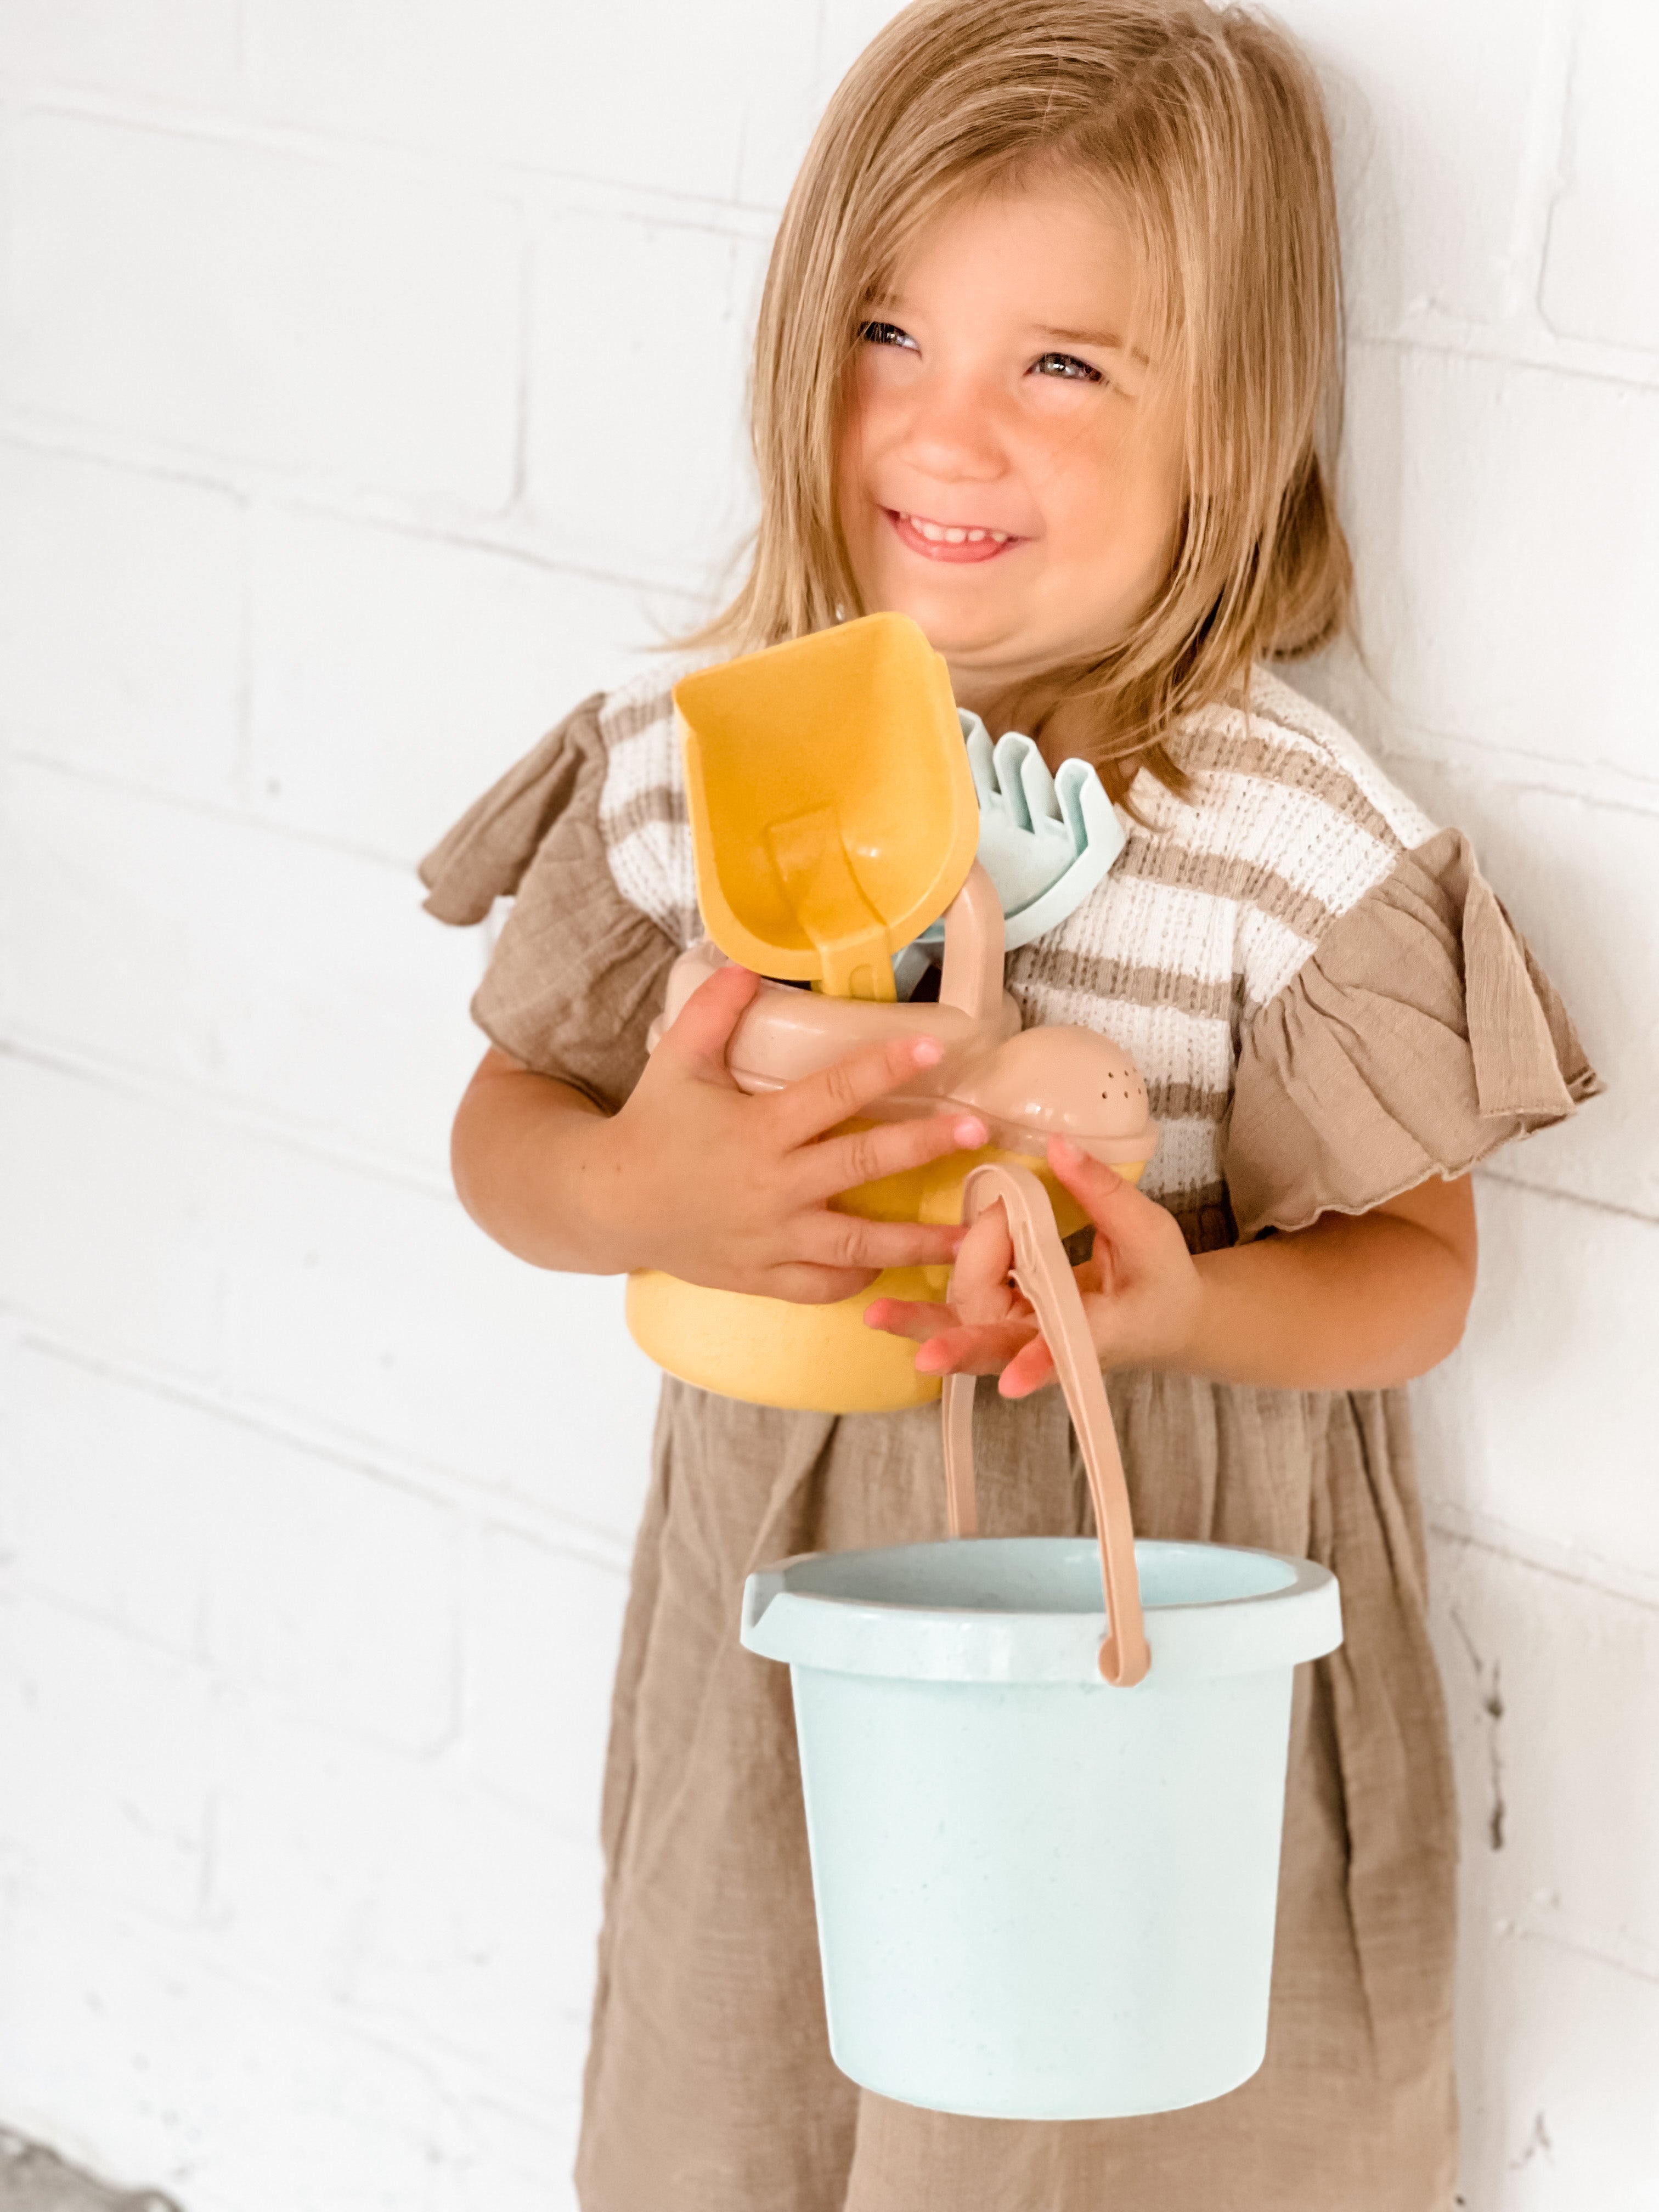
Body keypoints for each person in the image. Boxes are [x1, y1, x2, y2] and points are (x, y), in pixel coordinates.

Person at [419, 3, 1600, 2204]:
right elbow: (507, 1133)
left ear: (1228, 424)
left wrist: (1171, 1307)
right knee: (752, 2076)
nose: (942, 433)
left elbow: (1418, 1281)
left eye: (1064, 364)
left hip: (1151, 1621)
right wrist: (629, 1183)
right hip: (789, 1574)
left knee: (1103, 2132)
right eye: (888, 329)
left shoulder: (1280, 843)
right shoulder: (691, 759)